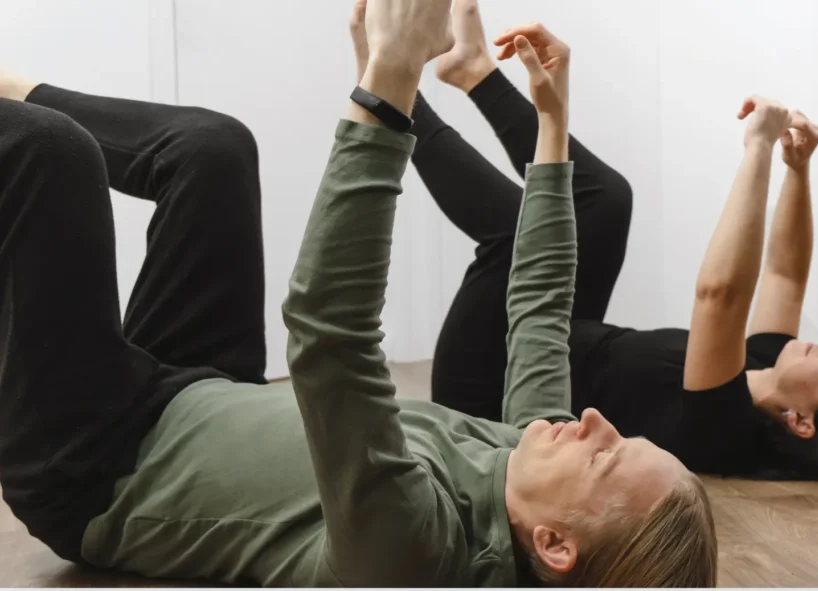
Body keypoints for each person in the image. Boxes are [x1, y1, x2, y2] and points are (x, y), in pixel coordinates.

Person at [0, 0, 720, 587]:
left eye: (606, 455)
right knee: (213, 153)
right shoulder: (526, 452)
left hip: (98, 463)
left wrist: (391, 77)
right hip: (197, 391)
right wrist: (552, 120)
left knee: (47, 155)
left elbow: (330, 337)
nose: (596, 420)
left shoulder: (416, 553)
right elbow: (539, 303)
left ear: (554, 543)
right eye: (622, 435)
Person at [417, 0, 818, 483]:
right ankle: (473, 69)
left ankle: (394, 91)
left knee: (515, 234)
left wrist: (759, 148)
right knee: (607, 201)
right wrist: (798, 169)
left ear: (801, 421)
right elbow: (785, 276)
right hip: (549, 339)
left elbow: (721, 295)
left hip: (490, 385)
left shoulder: (723, 431)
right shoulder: (763, 366)